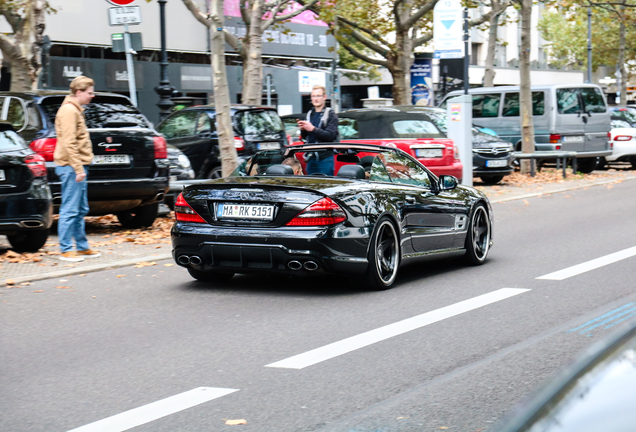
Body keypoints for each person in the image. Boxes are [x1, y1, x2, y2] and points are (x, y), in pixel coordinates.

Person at [54, 76, 101, 262]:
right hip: (71, 167)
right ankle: (66, 249)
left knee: (80, 208)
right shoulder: (68, 111)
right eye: (89, 93)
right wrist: (78, 168)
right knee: (70, 209)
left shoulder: (74, 110)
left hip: (75, 166)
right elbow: (69, 142)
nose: (92, 96)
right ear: (79, 92)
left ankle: (81, 247)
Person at [297, 85, 339, 175]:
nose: (315, 99)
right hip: (310, 157)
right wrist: (303, 129)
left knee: (326, 186)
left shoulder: (331, 114)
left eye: (318, 96)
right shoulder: (309, 114)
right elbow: (305, 137)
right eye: (313, 96)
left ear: (324, 97)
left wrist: (312, 129)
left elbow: (330, 135)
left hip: (325, 158)